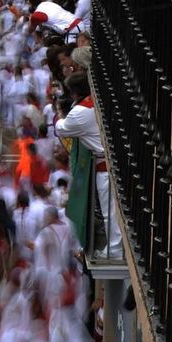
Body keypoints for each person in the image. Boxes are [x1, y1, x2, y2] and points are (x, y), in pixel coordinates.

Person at [55, 71, 123, 259]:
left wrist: (61, 113)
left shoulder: (79, 112)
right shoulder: (99, 98)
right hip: (113, 159)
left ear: (75, 94)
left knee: (110, 210)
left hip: (105, 165)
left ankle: (116, 250)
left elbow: (61, 128)